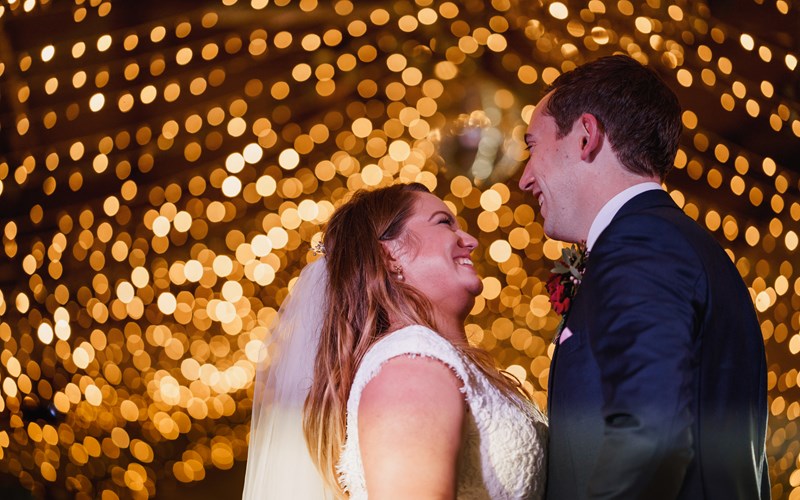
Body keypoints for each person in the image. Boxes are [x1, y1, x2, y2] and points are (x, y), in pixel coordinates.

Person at [518, 54, 770, 499]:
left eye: (531, 146)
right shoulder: (673, 241)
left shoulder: (641, 242)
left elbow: (650, 435)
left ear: (585, 137)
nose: (524, 178)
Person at [242, 182, 547, 499]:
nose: (470, 241)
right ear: (388, 257)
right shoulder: (410, 365)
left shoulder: (433, 360)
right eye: (444, 222)